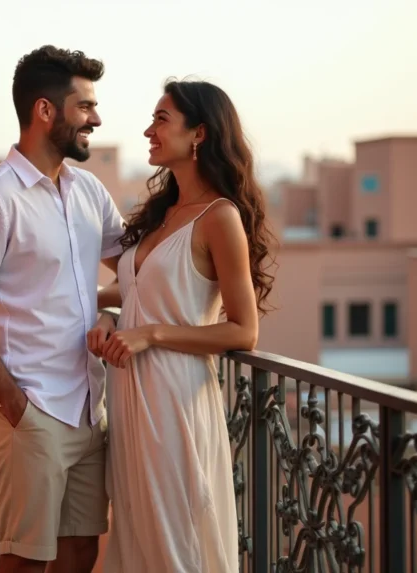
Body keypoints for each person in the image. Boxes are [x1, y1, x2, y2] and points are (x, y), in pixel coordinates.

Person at [0, 45, 125, 573]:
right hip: (32, 407)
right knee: (24, 561)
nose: (96, 118)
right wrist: (14, 403)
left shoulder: (89, 190)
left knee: (80, 552)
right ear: (45, 111)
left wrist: (108, 315)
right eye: (84, 106)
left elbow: (130, 275)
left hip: (89, 406)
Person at [87, 79, 276, 572]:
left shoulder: (219, 218)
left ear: (199, 134)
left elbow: (242, 331)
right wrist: (107, 314)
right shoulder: (161, 216)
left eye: (161, 119)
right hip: (129, 397)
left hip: (175, 399)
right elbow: (137, 293)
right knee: (138, 539)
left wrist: (151, 334)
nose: (149, 130)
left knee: (178, 543)